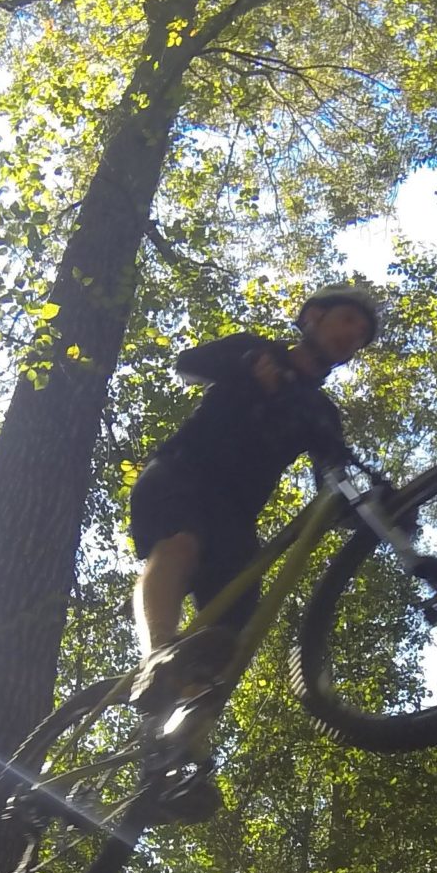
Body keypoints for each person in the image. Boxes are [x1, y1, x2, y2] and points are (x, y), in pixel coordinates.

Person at [127, 280, 383, 724]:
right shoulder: (257, 349)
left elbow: (333, 478)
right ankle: (157, 658)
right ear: (312, 317)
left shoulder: (320, 412)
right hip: (182, 473)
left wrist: (378, 506)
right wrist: (246, 365)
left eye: (360, 336)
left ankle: (180, 753)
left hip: (236, 521)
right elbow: (188, 365)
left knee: (229, 636)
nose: (351, 337)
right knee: (181, 542)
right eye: (346, 321)